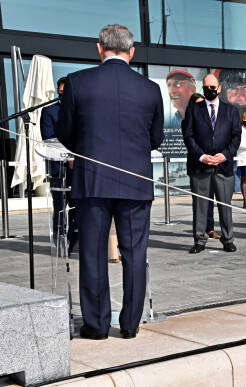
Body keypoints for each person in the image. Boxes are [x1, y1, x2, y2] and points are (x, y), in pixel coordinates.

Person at [55, 24, 165, 340]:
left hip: (92, 180)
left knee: (92, 254)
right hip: (135, 182)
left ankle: (97, 325)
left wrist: (88, 146)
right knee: (134, 255)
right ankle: (130, 324)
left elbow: (64, 131)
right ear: (131, 52)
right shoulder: (150, 89)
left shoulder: (78, 82)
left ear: (100, 49)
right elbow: (155, 138)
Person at [181, 74, 241, 253]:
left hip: (223, 165)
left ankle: (228, 239)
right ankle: (199, 240)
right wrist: (201, 156)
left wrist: (225, 155)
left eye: (213, 87)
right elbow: (188, 136)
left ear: (219, 88)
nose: (210, 90)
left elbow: (236, 136)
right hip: (200, 166)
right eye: (206, 87)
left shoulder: (231, 111)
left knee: (225, 204)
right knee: (200, 205)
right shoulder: (193, 110)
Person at [40, 76, 78, 252]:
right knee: (60, 207)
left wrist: (74, 158)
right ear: (57, 91)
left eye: (66, 93)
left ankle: (75, 240)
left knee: (78, 206)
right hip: (58, 168)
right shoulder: (49, 111)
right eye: (61, 93)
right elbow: (49, 139)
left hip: (78, 168)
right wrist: (69, 156)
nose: (63, 96)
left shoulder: (78, 111)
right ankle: (59, 241)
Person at [187, 93, 221, 240]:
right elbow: (189, 141)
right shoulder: (189, 119)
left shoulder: (211, 120)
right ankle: (200, 231)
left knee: (210, 199)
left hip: (212, 163)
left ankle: (210, 227)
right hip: (197, 164)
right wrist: (201, 156)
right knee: (199, 201)